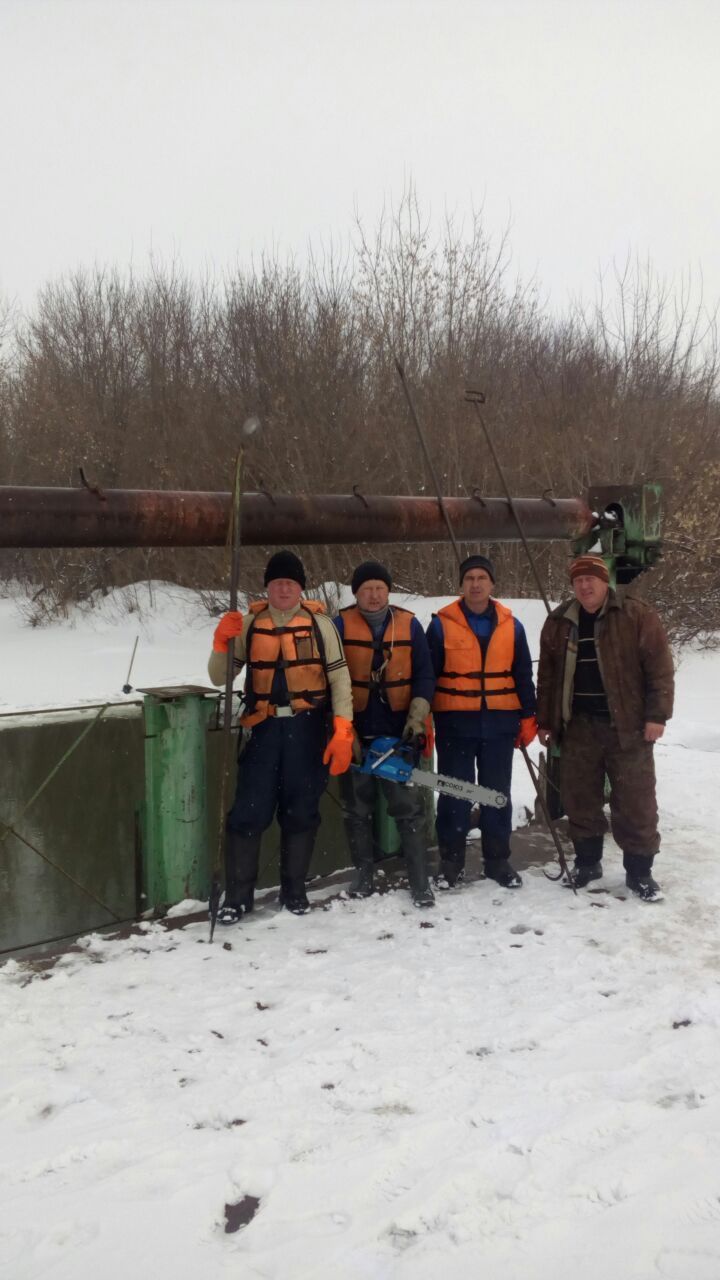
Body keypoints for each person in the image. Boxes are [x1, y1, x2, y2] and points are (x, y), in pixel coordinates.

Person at [208, 549, 354, 921]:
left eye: (290, 582)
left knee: (302, 812)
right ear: (268, 588)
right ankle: (238, 898)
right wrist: (220, 645)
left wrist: (342, 729)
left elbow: (339, 679)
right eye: (277, 583)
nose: (284, 588)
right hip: (263, 730)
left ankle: (295, 891)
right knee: (248, 814)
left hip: (307, 731)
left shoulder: (320, 626)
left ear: (301, 588)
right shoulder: (249, 625)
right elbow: (218, 677)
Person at [536, 554, 674, 901]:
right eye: (578, 581)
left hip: (626, 726)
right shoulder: (559, 621)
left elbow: (659, 669)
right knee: (580, 797)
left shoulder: (635, 614)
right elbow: (548, 677)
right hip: (578, 725)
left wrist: (657, 715)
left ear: (604, 581)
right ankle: (587, 863)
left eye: (591, 579)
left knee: (636, 800)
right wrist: (546, 721)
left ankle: (640, 873)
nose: (584, 586)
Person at [426, 554, 537, 889]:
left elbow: (522, 675)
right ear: (462, 584)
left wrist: (529, 715)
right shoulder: (441, 624)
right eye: (469, 578)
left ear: (492, 583)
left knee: (495, 794)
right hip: (455, 724)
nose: (475, 584)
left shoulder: (512, 626)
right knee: (455, 794)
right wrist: (424, 720)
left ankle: (497, 861)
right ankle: (451, 862)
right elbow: (427, 677)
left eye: (481, 578)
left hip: (500, 725)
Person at [333, 560, 436, 907]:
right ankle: (364, 871)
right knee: (356, 807)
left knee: (407, 807)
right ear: (356, 593)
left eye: (379, 588)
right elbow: (328, 677)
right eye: (366, 589)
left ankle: (419, 878)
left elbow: (425, 675)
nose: (374, 595)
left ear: (388, 591)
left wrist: (417, 717)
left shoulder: (409, 624)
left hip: (399, 733)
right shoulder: (339, 624)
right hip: (356, 731)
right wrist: (343, 730)